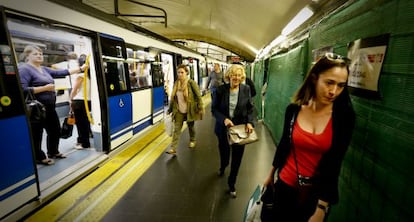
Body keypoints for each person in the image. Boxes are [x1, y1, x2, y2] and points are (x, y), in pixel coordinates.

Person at [262, 53, 355, 221]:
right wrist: (271, 174)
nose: (334, 91)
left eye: (341, 85)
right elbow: (284, 144)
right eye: (329, 82)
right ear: (314, 78)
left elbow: (335, 163)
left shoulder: (344, 117)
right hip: (285, 184)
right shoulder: (294, 110)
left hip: (315, 195)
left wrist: (321, 207)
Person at [19, 45, 88, 165]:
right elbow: (22, 89)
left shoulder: (44, 69)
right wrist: (44, 88)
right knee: (37, 134)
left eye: (40, 54)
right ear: (27, 56)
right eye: (35, 54)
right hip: (37, 108)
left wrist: (81, 69)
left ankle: (53, 151)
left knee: (55, 130)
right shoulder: (25, 69)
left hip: (50, 107)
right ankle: (39, 157)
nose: (39, 56)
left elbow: (62, 72)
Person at [211, 64, 255, 198]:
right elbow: (214, 109)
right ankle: (223, 165)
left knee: (237, 157)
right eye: (234, 75)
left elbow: (250, 108)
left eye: (239, 75)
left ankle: (232, 183)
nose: (236, 77)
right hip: (223, 128)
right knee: (224, 152)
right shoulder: (220, 90)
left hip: (240, 129)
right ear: (229, 75)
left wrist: (249, 122)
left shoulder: (246, 89)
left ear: (242, 77)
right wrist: (224, 119)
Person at [165, 64, 203, 155]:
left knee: (191, 126)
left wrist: (200, 107)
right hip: (179, 110)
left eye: (182, 72)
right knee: (177, 129)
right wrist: (170, 109)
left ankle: (192, 140)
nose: (180, 74)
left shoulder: (191, 83)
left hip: (190, 110)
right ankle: (173, 148)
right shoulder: (176, 83)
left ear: (186, 73)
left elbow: (198, 96)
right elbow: (173, 98)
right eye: (178, 72)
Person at [70, 54, 92, 149]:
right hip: (88, 101)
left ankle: (83, 143)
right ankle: (85, 141)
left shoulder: (80, 75)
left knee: (80, 123)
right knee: (85, 122)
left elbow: (75, 90)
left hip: (78, 101)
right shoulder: (90, 76)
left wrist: (71, 99)